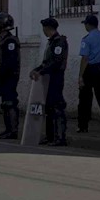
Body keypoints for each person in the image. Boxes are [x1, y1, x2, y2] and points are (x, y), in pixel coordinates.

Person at [32, 18, 70, 146]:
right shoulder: (52, 42)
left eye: (44, 28)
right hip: (48, 78)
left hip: (56, 77)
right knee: (49, 107)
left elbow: (56, 61)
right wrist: (37, 70)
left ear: (47, 28)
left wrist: (41, 72)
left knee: (57, 106)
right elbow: (46, 61)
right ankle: (50, 136)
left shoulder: (59, 42)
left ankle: (60, 137)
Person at [76, 13, 100, 134]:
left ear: (88, 25)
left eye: (85, 24)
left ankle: (83, 126)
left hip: (90, 70)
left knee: (85, 99)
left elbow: (85, 58)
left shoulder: (87, 39)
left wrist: (80, 76)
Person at [0, 13, 23, 140]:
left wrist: (0, 72)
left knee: (10, 102)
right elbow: (0, 59)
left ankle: (13, 130)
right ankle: (8, 129)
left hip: (10, 76)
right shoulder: (4, 40)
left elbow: (10, 61)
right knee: (5, 103)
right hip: (4, 76)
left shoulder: (10, 41)